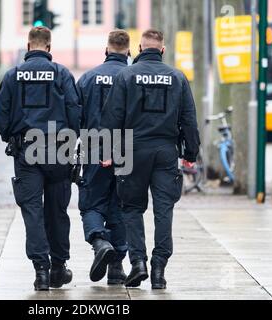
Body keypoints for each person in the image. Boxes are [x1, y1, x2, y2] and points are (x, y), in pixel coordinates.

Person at [100, 29, 200, 289]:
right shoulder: (177, 78)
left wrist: (106, 152)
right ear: (163, 50)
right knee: (163, 209)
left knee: (132, 208)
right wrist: (190, 153)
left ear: (140, 49)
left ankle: (138, 262)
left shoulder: (126, 75)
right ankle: (159, 267)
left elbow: (112, 118)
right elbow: (189, 119)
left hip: (132, 150)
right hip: (166, 151)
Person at [0, 27, 82, 291]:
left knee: (32, 210)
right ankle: (58, 266)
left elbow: (1, 115)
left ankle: (40, 270)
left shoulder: (13, 75)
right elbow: (75, 110)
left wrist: (12, 137)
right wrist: (71, 137)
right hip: (58, 149)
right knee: (57, 210)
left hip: (26, 150)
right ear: (49, 46)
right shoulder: (62, 73)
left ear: (29, 46)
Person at [76, 30, 130, 285]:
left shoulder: (88, 78)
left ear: (106, 50)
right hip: (125, 148)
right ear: (129, 52)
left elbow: (74, 117)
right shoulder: (133, 78)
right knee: (120, 205)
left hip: (92, 146)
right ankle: (117, 268)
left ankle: (99, 242)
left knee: (90, 203)